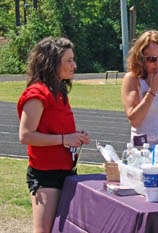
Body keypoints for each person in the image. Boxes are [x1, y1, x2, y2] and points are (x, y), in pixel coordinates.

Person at [17, 37, 90, 233]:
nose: (74, 65)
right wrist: (65, 139)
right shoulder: (37, 94)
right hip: (46, 175)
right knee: (44, 230)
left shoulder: (59, 91)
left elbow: (56, 129)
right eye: (68, 60)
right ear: (51, 63)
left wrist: (75, 136)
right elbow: (25, 136)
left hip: (65, 172)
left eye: (73, 60)